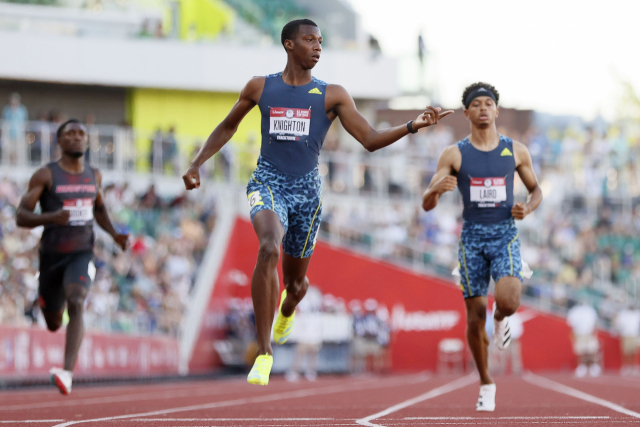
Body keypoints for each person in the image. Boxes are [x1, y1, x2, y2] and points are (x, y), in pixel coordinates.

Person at [182, 19, 453, 386]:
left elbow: (369, 139)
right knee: (267, 248)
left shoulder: (332, 95)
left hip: (307, 194)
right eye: (310, 40)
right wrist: (197, 162)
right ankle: (264, 352)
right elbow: (228, 126)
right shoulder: (261, 87)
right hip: (268, 182)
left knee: (295, 284)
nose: (318, 46)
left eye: (321, 41)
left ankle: (289, 305)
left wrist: (411, 125)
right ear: (289, 44)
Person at [421, 82, 542, 411]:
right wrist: (436, 191)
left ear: (497, 110)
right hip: (471, 238)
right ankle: (486, 381)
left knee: (509, 299)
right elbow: (426, 203)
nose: (484, 108)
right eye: (477, 104)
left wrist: (527, 208)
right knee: (474, 318)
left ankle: (501, 319)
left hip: (505, 234)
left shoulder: (515, 150)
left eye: (489, 103)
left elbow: (536, 191)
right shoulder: (454, 153)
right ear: (467, 112)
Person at [16, 119, 129, 395]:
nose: (77, 138)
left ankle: (66, 372)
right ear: (60, 141)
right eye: (70, 134)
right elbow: (21, 215)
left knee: (77, 301)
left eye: (82, 134)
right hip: (51, 258)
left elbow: (99, 208)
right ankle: (47, 304)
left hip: (81, 252)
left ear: (87, 141)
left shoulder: (94, 175)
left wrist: (114, 234)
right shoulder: (46, 175)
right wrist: (51, 217)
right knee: (54, 323)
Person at [566, 300, 600, 377]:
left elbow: (595, 322)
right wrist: (573, 333)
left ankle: (593, 367)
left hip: (589, 333)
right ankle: (582, 367)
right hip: (579, 333)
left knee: (592, 350)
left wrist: (594, 331)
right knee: (581, 352)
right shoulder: (575, 311)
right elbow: (571, 323)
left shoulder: (590, 310)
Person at [614, 303, 640, 376]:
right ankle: (626, 366)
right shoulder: (623, 314)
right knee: (626, 352)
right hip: (626, 335)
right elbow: (619, 323)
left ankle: (634, 366)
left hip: (634, 335)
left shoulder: (637, 314)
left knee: (634, 351)